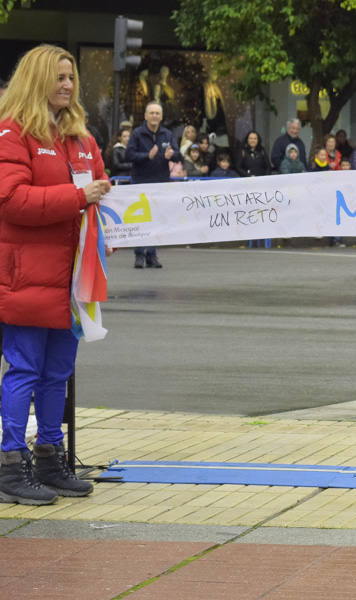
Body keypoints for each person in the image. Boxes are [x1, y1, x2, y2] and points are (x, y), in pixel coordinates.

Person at [0, 44, 110, 505]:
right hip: (27, 277)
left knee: (57, 373)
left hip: (71, 282)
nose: (67, 85)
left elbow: (100, 193)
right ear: (36, 78)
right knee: (25, 370)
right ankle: (9, 462)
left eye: (71, 78)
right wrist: (78, 195)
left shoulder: (82, 138)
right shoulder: (12, 133)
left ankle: (48, 456)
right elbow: (11, 200)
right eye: (59, 77)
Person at [125, 101, 179, 268]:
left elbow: (178, 155)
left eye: (157, 113)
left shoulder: (167, 135)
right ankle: (139, 255)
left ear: (161, 116)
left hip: (160, 184)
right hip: (140, 182)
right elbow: (128, 155)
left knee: (155, 220)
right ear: (146, 116)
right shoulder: (137, 134)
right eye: (152, 113)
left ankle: (152, 255)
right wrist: (146, 156)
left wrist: (172, 155)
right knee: (141, 220)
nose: (155, 116)